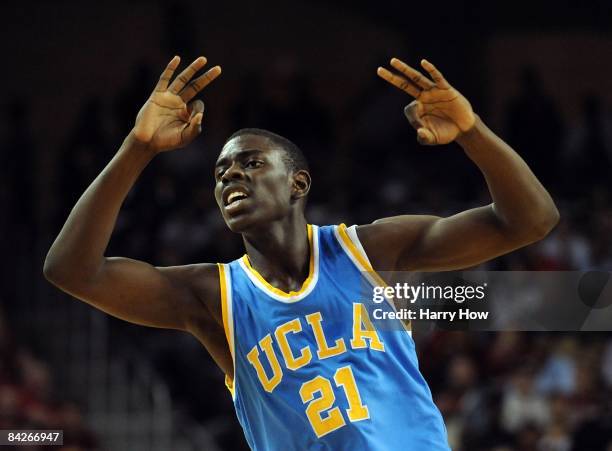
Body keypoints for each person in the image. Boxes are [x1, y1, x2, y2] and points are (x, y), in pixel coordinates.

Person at [44, 54, 559, 450]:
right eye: (221, 173)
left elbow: (531, 220)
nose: (231, 177)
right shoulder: (211, 295)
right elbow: (71, 270)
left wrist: (472, 133)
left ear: (298, 183)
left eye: (250, 163)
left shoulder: (369, 249)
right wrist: (138, 147)